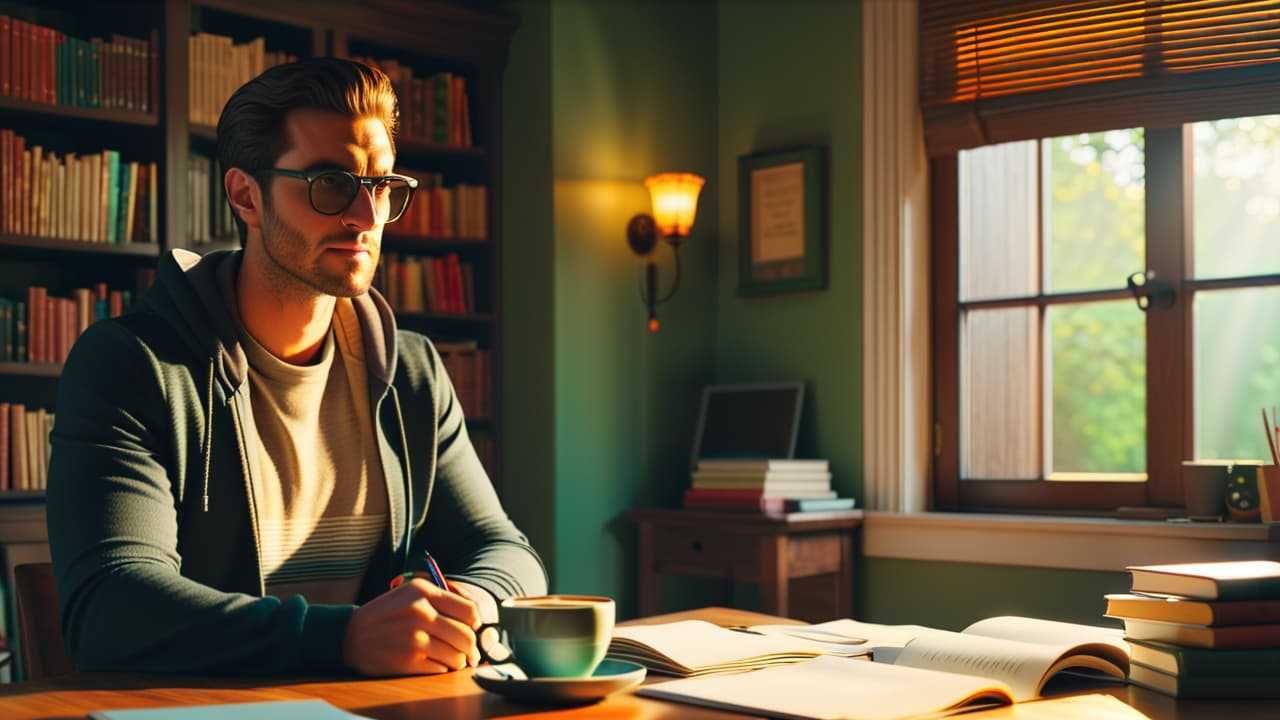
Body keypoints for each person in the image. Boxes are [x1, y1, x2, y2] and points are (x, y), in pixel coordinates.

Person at [45, 57, 546, 677]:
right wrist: (343, 638)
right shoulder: (130, 365)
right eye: (331, 184)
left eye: (383, 186)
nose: (366, 218)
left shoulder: (411, 369)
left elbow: (507, 553)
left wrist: (468, 605)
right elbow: (109, 607)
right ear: (245, 195)